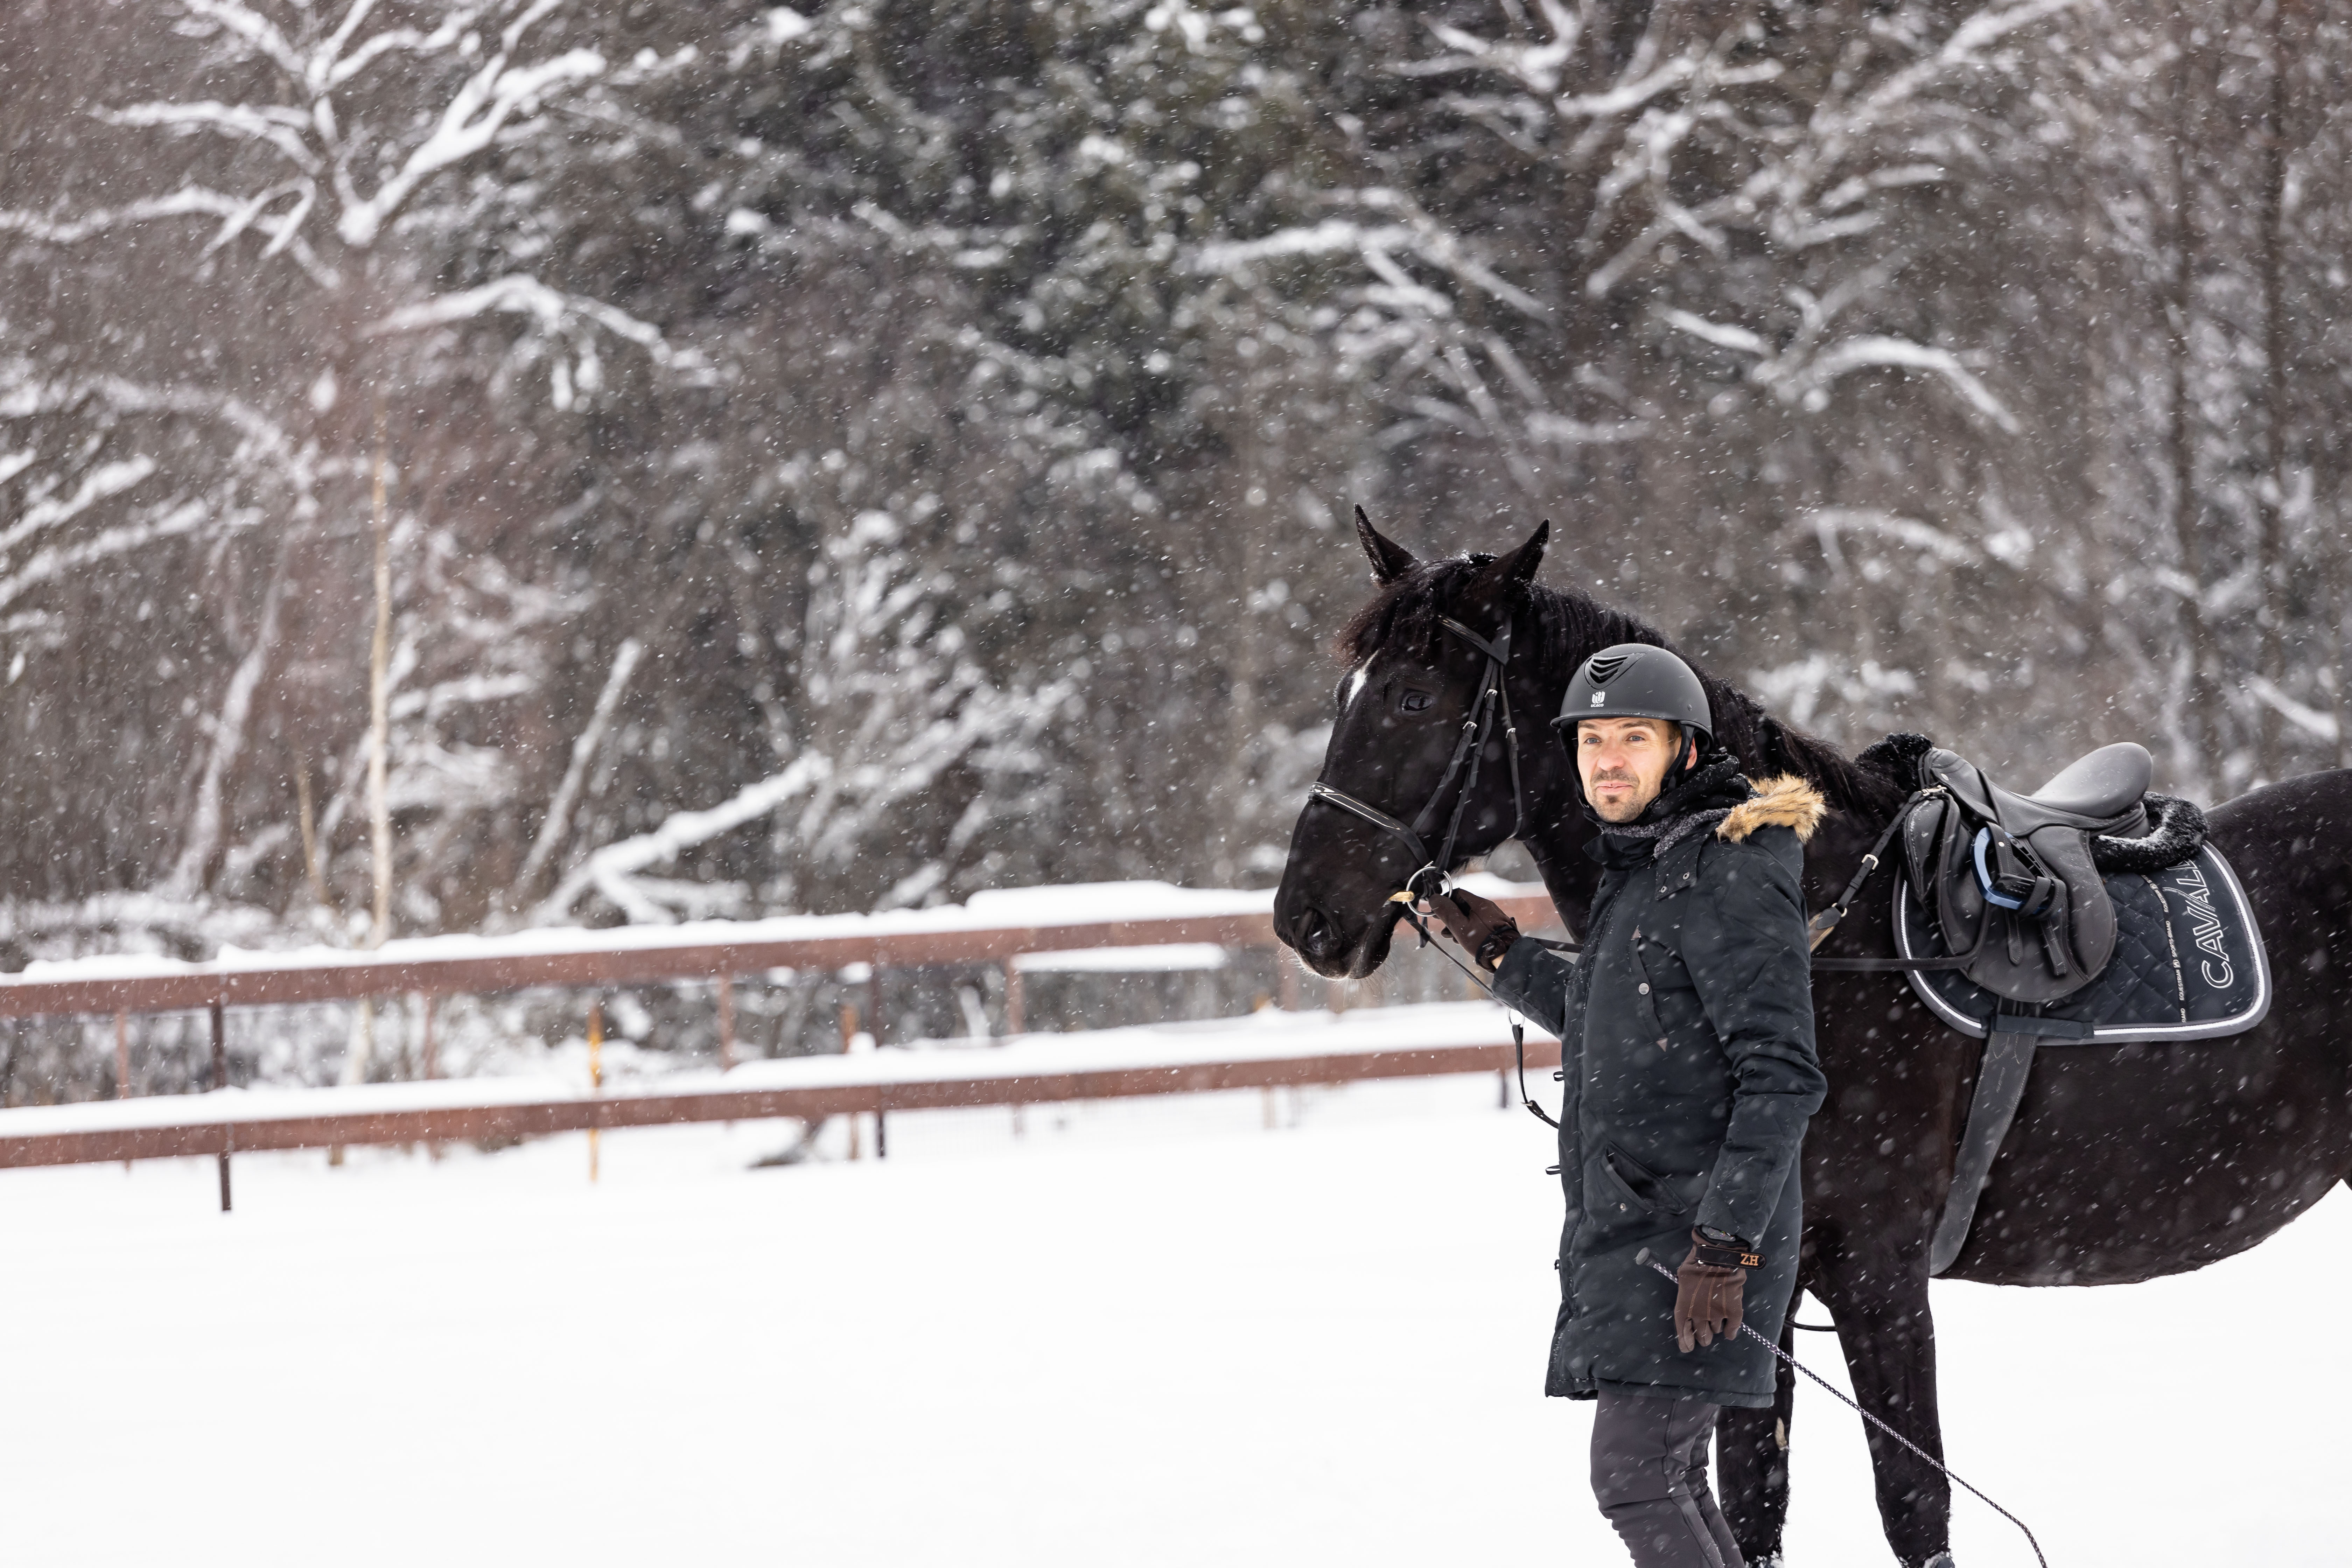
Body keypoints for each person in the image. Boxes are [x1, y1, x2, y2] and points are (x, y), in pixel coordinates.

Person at [1427, 643, 1828, 1568]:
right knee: (1667, 1475)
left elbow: (1783, 1075)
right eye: (1593, 740)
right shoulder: (1645, 865)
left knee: (1637, 1473)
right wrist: (1500, 954)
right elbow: (1612, 1024)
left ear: (1682, 748)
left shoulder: (1728, 867)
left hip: (1694, 1244)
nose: (1608, 759)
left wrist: (1726, 1247)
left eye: (1632, 738)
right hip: (1639, 1231)